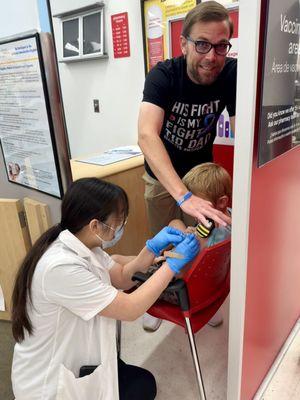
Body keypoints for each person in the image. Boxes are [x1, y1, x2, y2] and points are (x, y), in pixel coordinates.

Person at [11, 177, 200, 400]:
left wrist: (152, 247)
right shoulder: (60, 267)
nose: (121, 226)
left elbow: (121, 277)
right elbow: (131, 308)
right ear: (94, 225)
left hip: (80, 358)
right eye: (118, 220)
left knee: (142, 382)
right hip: (50, 385)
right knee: (141, 388)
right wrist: (172, 265)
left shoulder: (84, 244)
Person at [138, 1, 236, 234]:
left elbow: (246, 135)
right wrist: (183, 196)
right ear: (184, 44)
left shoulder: (231, 74)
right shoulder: (163, 75)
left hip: (200, 178)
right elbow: (146, 134)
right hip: (160, 178)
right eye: (202, 44)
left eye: (221, 46)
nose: (211, 57)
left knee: (198, 247)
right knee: (164, 249)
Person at [143, 162, 232, 331]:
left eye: (198, 203)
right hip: (215, 284)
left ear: (221, 202)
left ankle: (151, 302)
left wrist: (166, 255)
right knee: (177, 222)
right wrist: (194, 233)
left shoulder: (201, 239)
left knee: (143, 271)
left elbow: (181, 265)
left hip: (186, 292)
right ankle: (212, 311)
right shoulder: (233, 221)